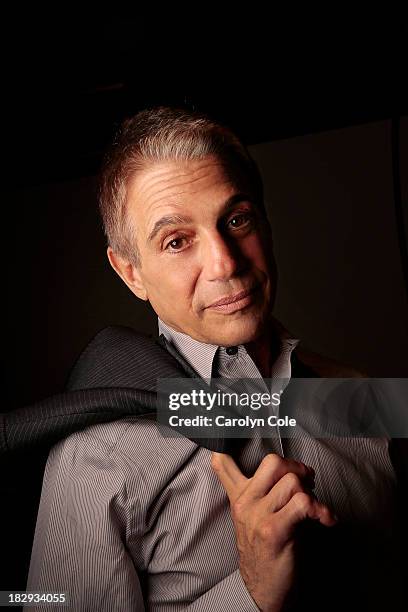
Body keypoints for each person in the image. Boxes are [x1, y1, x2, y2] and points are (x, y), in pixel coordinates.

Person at [26, 107, 406, 611]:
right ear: (130, 272)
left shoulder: (357, 392)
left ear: (265, 223)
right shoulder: (94, 462)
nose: (225, 263)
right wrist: (251, 589)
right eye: (177, 241)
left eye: (236, 219)